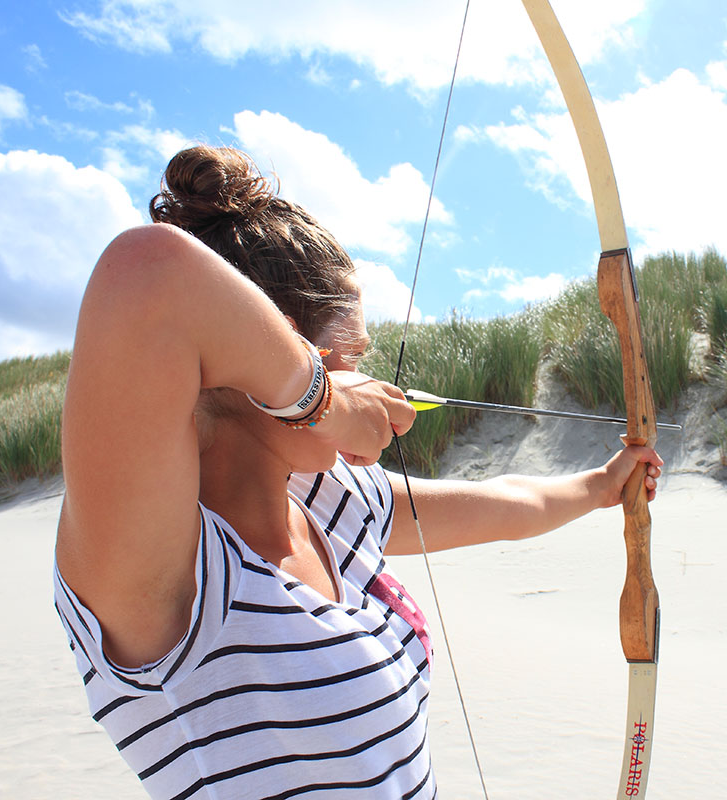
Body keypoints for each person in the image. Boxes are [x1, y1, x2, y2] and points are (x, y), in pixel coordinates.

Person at [53, 145, 662, 800]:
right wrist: (329, 403)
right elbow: (146, 275)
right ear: (285, 347)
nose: (371, 382)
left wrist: (603, 487)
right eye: (354, 358)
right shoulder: (165, 574)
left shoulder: (328, 500)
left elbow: (507, 504)